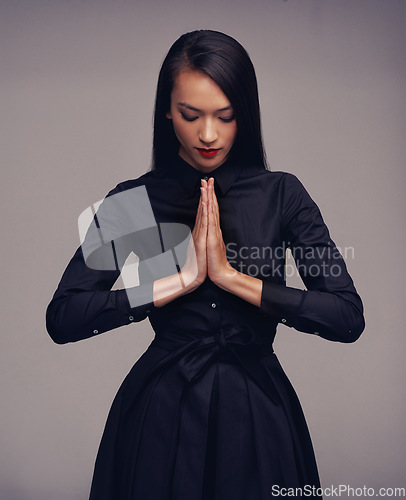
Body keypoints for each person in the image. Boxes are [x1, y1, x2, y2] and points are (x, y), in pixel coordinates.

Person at [46, 30, 365, 500]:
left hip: (260, 416)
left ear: (245, 115)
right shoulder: (134, 201)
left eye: (226, 116)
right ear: (167, 111)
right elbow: (63, 317)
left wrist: (235, 280)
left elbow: (346, 316)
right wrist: (176, 284)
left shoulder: (282, 194)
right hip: (159, 415)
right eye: (191, 115)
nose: (208, 134)